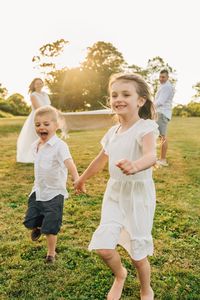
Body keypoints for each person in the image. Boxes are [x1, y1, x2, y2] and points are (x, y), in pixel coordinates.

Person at [75, 73, 159, 300]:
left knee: (138, 255)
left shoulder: (146, 127)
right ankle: (120, 274)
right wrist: (81, 178)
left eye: (125, 94)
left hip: (138, 195)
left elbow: (151, 155)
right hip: (115, 194)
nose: (118, 99)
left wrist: (136, 165)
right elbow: (100, 159)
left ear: (140, 101)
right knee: (104, 248)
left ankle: (145, 288)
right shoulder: (112, 133)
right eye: (114, 95)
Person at [23, 106, 79, 263]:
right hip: (38, 190)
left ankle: (51, 254)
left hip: (54, 193)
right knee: (30, 220)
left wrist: (76, 178)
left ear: (56, 125)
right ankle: (37, 226)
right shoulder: (36, 145)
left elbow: (69, 162)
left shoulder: (60, 146)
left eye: (46, 124)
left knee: (51, 226)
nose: (41, 127)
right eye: (38, 124)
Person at [17, 78, 51, 163]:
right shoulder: (33, 95)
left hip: (46, 117)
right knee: (36, 137)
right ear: (34, 85)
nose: (39, 85)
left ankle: (45, 155)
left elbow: (49, 106)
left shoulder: (45, 94)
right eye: (37, 83)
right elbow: (38, 108)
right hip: (37, 118)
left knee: (47, 136)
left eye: (41, 83)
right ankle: (34, 156)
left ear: (43, 84)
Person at [154, 70, 175, 167]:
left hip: (162, 113)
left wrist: (148, 106)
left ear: (167, 77)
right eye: (160, 76)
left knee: (162, 137)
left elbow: (160, 102)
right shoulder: (163, 86)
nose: (161, 79)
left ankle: (163, 160)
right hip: (160, 113)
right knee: (159, 136)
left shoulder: (167, 87)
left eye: (163, 77)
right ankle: (160, 158)